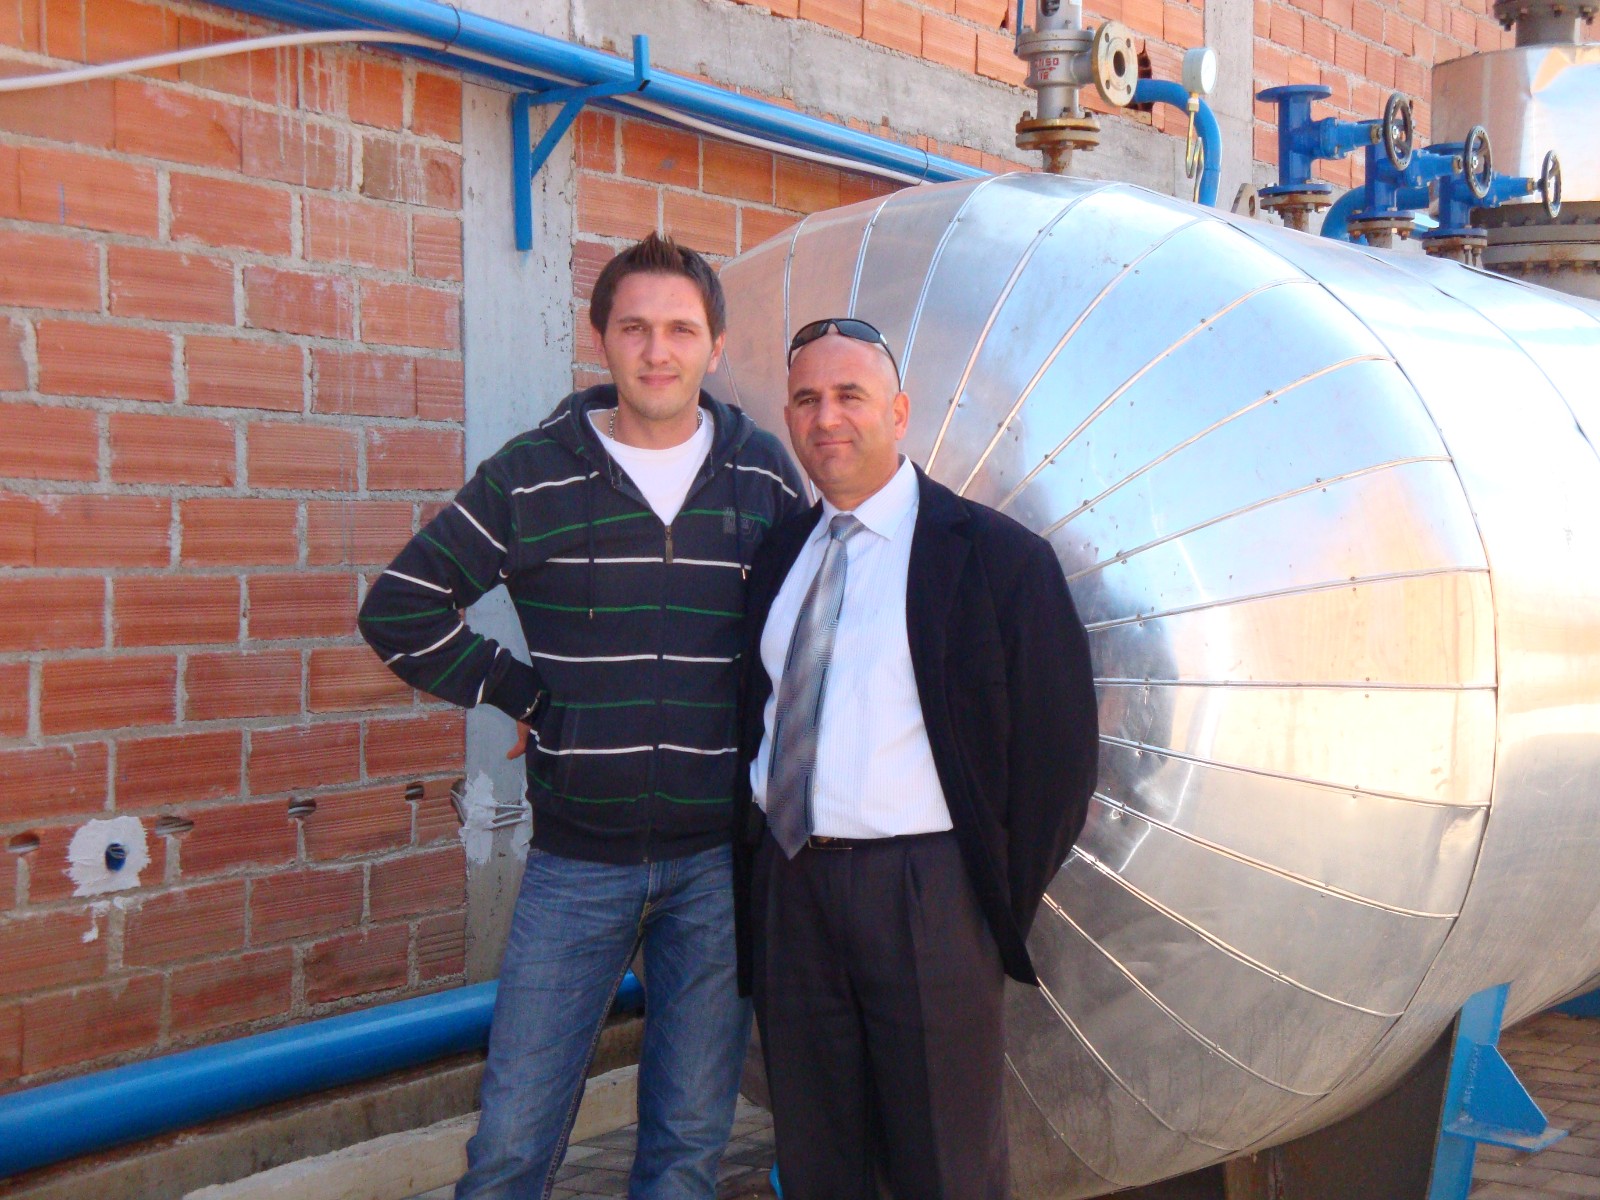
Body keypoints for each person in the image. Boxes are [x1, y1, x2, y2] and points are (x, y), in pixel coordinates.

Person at [359, 233, 806, 1200]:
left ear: (716, 345)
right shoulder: (533, 475)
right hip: (577, 864)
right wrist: (522, 694)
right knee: (512, 1146)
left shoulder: (763, 476)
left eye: (680, 329)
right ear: (600, 339)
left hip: (719, 867)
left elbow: (807, 640)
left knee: (688, 1147)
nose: (657, 350)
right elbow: (399, 609)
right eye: (634, 328)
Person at [732, 317, 1099, 1200]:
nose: (827, 418)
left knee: (946, 1162)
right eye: (807, 400)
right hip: (792, 891)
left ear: (898, 413)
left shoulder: (998, 559)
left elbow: (1057, 765)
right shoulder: (779, 555)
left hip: (926, 895)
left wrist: (978, 902)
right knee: (818, 1156)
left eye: (849, 396)